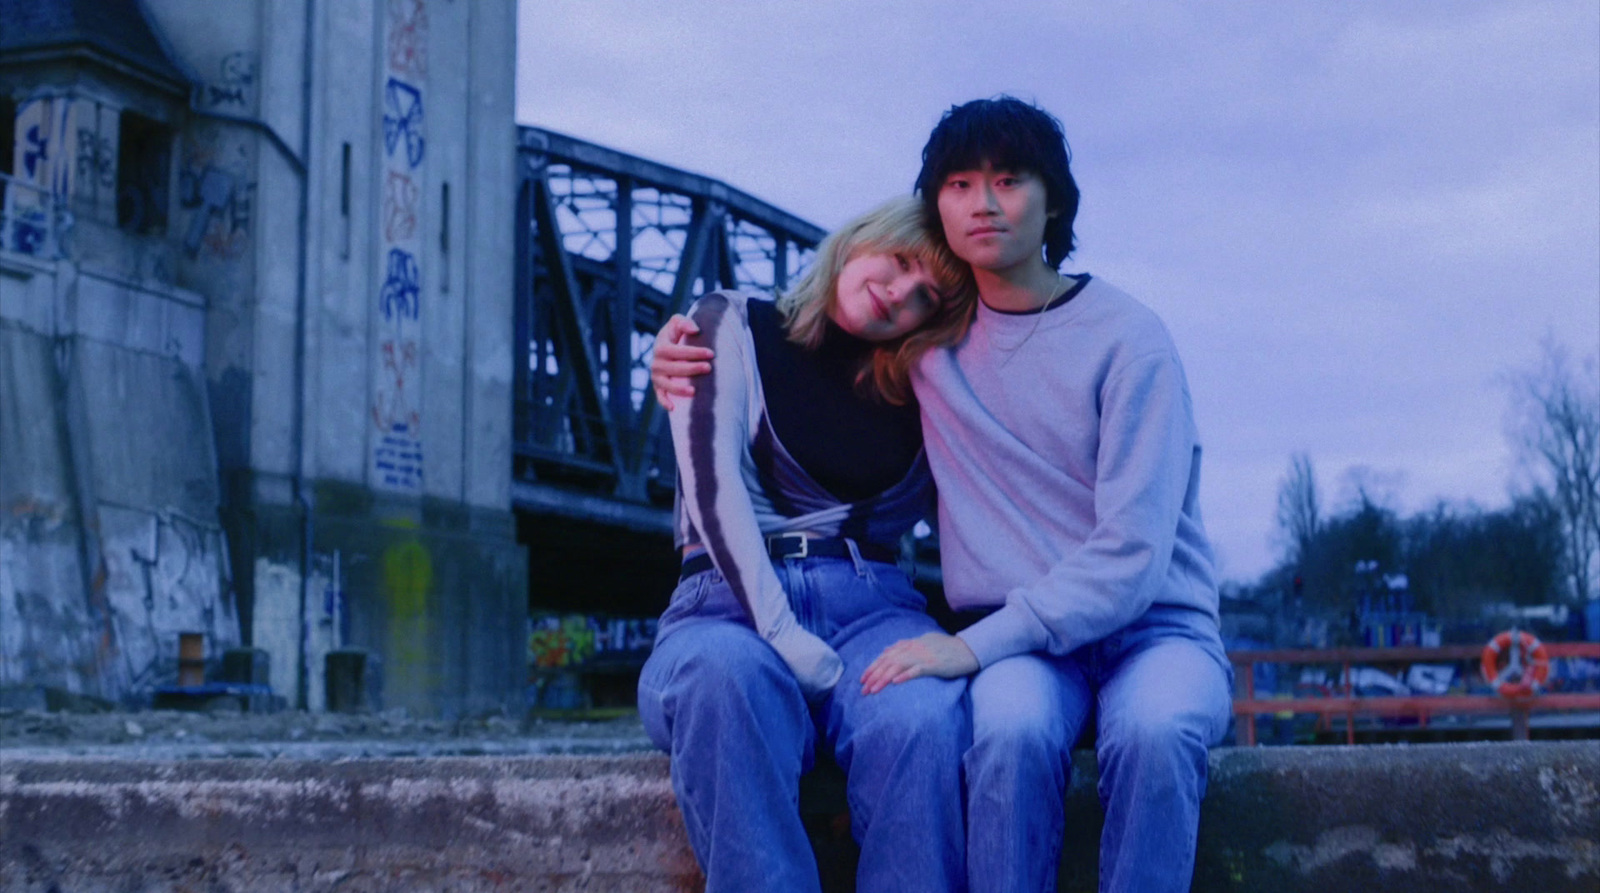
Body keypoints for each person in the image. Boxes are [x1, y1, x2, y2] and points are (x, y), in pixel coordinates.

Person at [654, 97, 1233, 893]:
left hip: (1108, 624)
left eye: (1009, 180)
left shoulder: (1084, 346)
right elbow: (734, 426)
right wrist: (672, 357)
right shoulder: (868, 346)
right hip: (938, 630)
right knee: (989, 729)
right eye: (960, 184)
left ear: (1052, 198)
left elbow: (1134, 551)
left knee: (1077, 728)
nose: (984, 203)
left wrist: (968, 646)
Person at [638, 195, 976, 893]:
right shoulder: (728, 320)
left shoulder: (929, 384)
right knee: (721, 679)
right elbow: (713, 485)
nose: (899, 293)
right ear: (861, 238)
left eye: (925, 298)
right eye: (902, 261)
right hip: (725, 606)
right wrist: (780, 628)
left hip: (875, 609)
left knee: (922, 717)